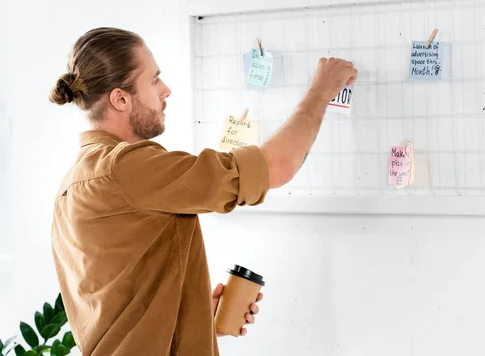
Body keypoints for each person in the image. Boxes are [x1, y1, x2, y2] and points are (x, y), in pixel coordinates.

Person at [49, 27, 357, 355]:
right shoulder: (127, 168)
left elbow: (113, 309)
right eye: (154, 80)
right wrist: (321, 91)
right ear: (120, 98)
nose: (166, 90)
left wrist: (193, 318)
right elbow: (276, 166)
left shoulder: (72, 184)